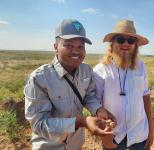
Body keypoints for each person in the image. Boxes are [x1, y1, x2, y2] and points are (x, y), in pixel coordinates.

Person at [24, 19, 115, 150]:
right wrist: (81, 122)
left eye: (80, 46)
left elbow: (88, 96)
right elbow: (39, 124)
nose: (76, 51)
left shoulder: (86, 71)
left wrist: (98, 110)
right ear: (55, 47)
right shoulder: (39, 79)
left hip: (76, 144)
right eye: (69, 45)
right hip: (49, 146)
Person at [93, 19, 154, 150]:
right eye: (120, 40)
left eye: (131, 41)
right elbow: (95, 105)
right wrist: (105, 137)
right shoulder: (100, 69)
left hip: (139, 134)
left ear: (135, 45)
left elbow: (145, 96)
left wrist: (151, 129)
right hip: (113, 136)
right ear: (112, 43)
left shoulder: (141, 67)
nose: (126, 44)